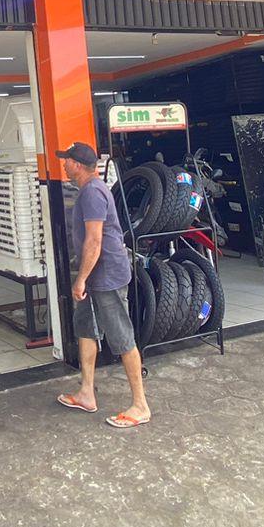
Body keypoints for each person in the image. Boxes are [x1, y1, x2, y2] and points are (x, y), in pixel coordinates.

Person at [56, 142, 150, 428]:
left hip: (106, 276)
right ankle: (86, 392)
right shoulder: (88, 190)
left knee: (121, 337)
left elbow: (95, 241)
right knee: (85, 328)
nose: (63, 164)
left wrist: (81, 279)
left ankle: (140, 405)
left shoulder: (93, 193)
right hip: (94, 276)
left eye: (66, 160)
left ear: (77, 165)